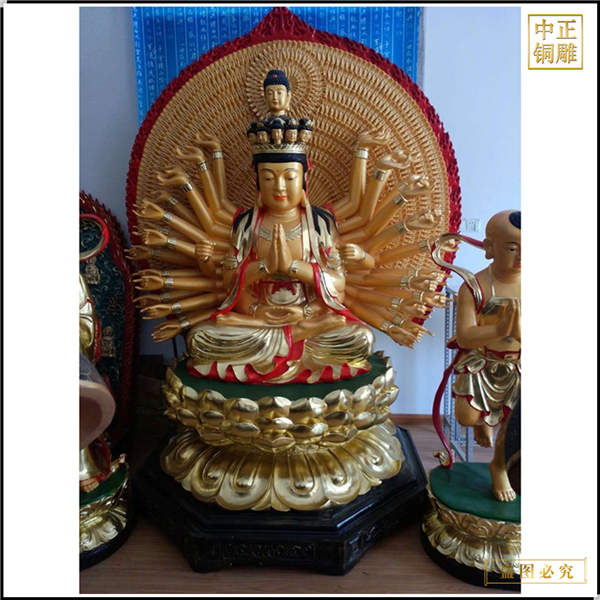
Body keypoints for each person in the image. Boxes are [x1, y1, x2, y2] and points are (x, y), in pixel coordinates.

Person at [433, 210, 521, 502]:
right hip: (482, 362)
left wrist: (519, 333)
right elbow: (466, 336)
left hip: (519, 366)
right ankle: (483, 421)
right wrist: (498, 329)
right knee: (466, 416)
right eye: (512, 249)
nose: (521, 257)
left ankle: (499, 466)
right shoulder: (474, 287)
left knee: (514, 423)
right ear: (489, 248)